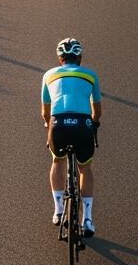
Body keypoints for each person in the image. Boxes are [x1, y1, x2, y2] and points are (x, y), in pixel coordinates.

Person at [41, 37, 101, 236]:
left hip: (58, 125)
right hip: (83, 125)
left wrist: (48, 124)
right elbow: (97, 112)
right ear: (79, 57)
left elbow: (45, 113)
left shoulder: (48, 75)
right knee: (85, 168)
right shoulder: (91, 75)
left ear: (60, 59)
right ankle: (88, 219)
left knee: (57, 161)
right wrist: (94, 123)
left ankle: (58, 210)